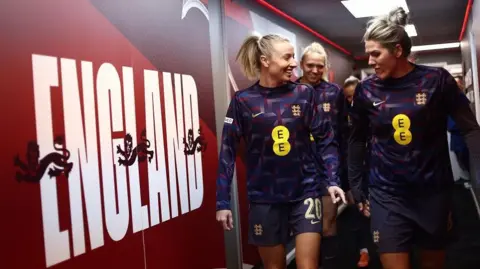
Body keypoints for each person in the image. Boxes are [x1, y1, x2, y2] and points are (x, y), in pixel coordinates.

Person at [348, 7, 480, 269]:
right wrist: (356, 185)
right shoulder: (366, 90)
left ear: (397, 50)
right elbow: (357, 139)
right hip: (387, 193)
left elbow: (470, 128)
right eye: (368, 54)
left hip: (432, 192)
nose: (370, 61)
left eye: (376, 53)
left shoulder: (436, 80)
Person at [215, 34, 346, 269]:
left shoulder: (304, 94)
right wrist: (223, 202)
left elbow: (326, 139)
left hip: (305, 192)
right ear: (266, 61)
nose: (294, 63)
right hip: (264, 198)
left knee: (308, 265)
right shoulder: (243, 101)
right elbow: (227, 152)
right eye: (287, 57)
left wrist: (332, 180)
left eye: (293, 57)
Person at [298, 42, 345, 269]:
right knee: (306, 228)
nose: (315, 71)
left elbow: (343, 133)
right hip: (298, 171)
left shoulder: (334, 92)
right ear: (300, 65)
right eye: (310, 66)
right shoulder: (289, 90)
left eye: (320, 66)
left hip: (328, 170)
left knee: (328, 225)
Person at [343, 76, 371, 268]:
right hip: (352, 171)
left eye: (354, 96)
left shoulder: (372, 113)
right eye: (348, 97)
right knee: (358, 211)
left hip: (374, 169)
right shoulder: (343, 117)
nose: (352, 101)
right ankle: (364, 251)